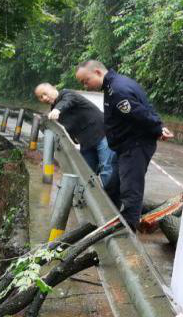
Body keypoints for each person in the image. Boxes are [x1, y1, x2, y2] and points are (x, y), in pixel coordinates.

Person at [74, 60, 173, 229]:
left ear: (97, 72)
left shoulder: (118, 89)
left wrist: (158, 128)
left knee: (130, 190)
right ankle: (106, 220)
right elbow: (145, 107)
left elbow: (140, 114)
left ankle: (127, 233)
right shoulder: (115, 84)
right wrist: (160, 126)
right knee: (113, 186)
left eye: (86, 80)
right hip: (123, 146)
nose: (85, 86)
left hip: (135, 146)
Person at [34, 83, 115, 188]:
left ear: (53, 88)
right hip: (86, 142)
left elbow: (67, 101)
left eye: (45, 93)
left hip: (102, 134)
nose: (44, 98)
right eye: (40, 97)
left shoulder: (67, 94)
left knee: (107, 168)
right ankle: (85, 196)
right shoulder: (54, 110)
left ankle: (101, 197)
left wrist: (57, 110)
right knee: (85, 171)